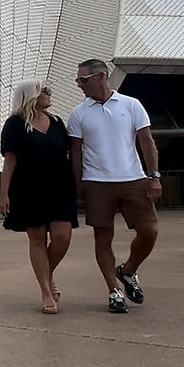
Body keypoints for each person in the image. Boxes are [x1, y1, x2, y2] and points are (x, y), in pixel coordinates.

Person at [67, 59, 161, 314]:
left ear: (101, 77)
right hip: (97, 183)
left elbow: (147, 142)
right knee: (103, 236)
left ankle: (128, 271)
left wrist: (153, 176)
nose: (79, 85)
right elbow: (75, 153)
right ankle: (113, 290)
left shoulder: (131, 105)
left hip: (133, 178)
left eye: (83, 80)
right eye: (77, 81)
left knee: (149, 230)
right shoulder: (78, 114)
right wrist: (78, 185)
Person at [0, 80, 77, 314]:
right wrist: (4, 193)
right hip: (28, 188)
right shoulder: (15, 124)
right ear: (31, 96)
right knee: (38, 238)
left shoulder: (57, 122)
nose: (49, 94)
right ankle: (45, 290)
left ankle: (47, 273)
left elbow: (70, 153)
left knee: (63, 237)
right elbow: (10, 159)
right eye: (45, 91)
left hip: (60, 186)